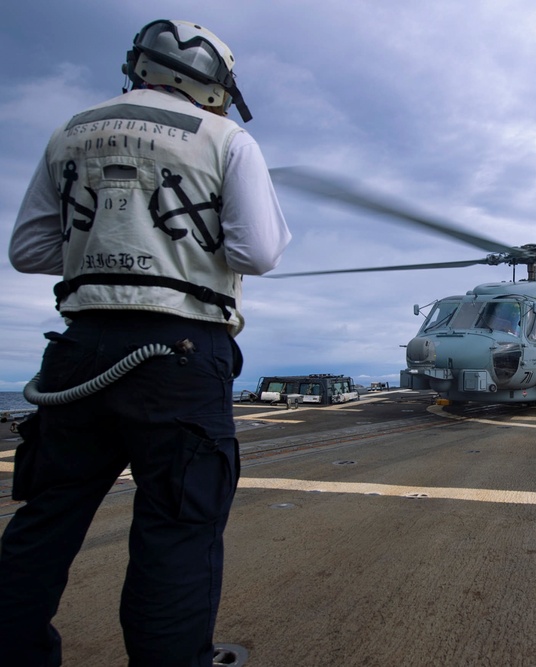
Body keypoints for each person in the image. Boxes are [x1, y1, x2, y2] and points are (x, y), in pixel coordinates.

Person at [1, 19, 291, 666]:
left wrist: (107, 253)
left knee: (43, 523)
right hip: (179, 356)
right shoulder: (228, 139)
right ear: (215, 81)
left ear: (139, 64)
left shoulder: (69, 132)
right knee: (177, 535)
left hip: (79, 352)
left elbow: (28, 250)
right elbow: (259, 251)